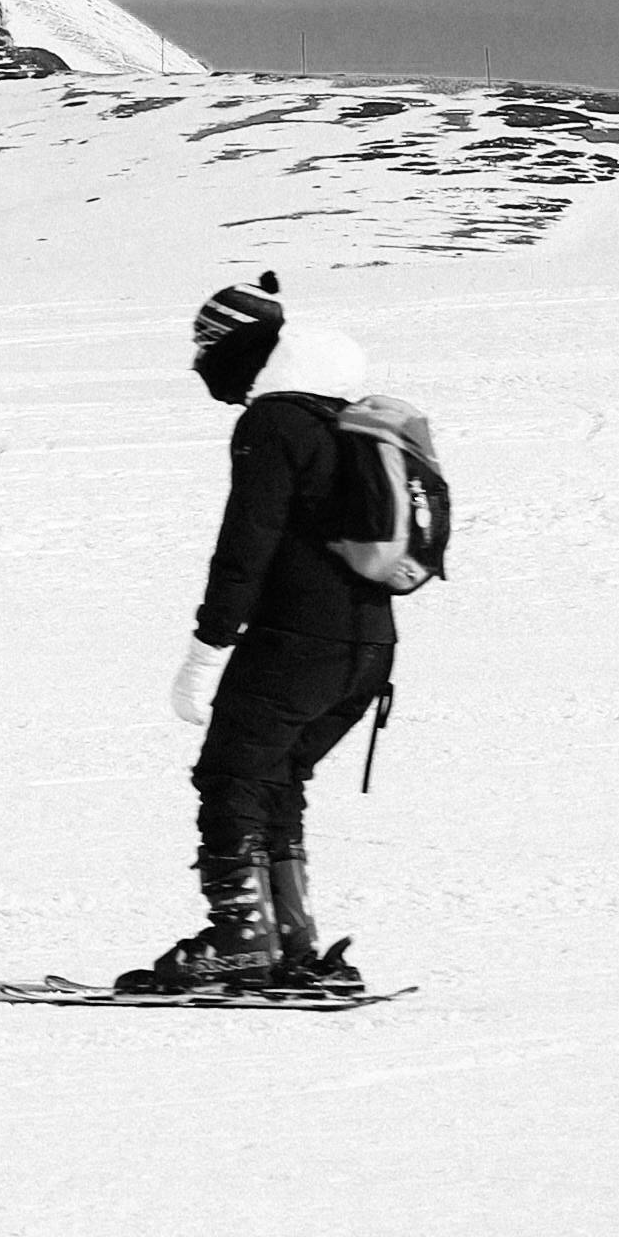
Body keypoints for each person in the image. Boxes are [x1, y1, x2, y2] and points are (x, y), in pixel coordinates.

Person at [124, 272, 402, 1000]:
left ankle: (239, 941)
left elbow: (246, 545)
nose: (199, 366)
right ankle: (291, 944)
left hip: (298, 638)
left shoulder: (273, 425)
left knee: (229, 779)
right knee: (275, 780)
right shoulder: (343, 419)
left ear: (238, 349)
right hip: (369, 647)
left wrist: (205, 649)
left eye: (206, 348)